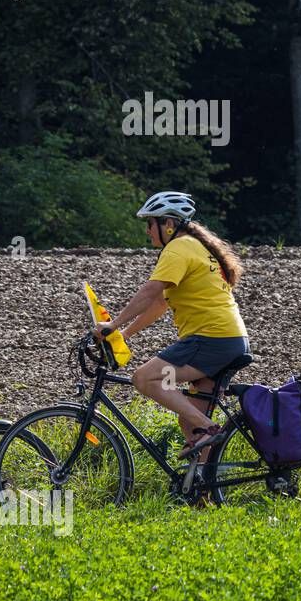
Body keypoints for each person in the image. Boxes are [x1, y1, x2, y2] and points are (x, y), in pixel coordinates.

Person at [96, 191, 249, 460]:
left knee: (145, 378)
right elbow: (159, 303)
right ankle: (202, 491)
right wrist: (125, 333)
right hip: (228, 340)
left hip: (211, 339)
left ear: (168, 224)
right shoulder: (195, 247)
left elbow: (150, 291)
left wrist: (112, 324)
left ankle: (212, 430)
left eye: (150, 223)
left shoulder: (178, 248)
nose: (147, 231)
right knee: (190, 422)